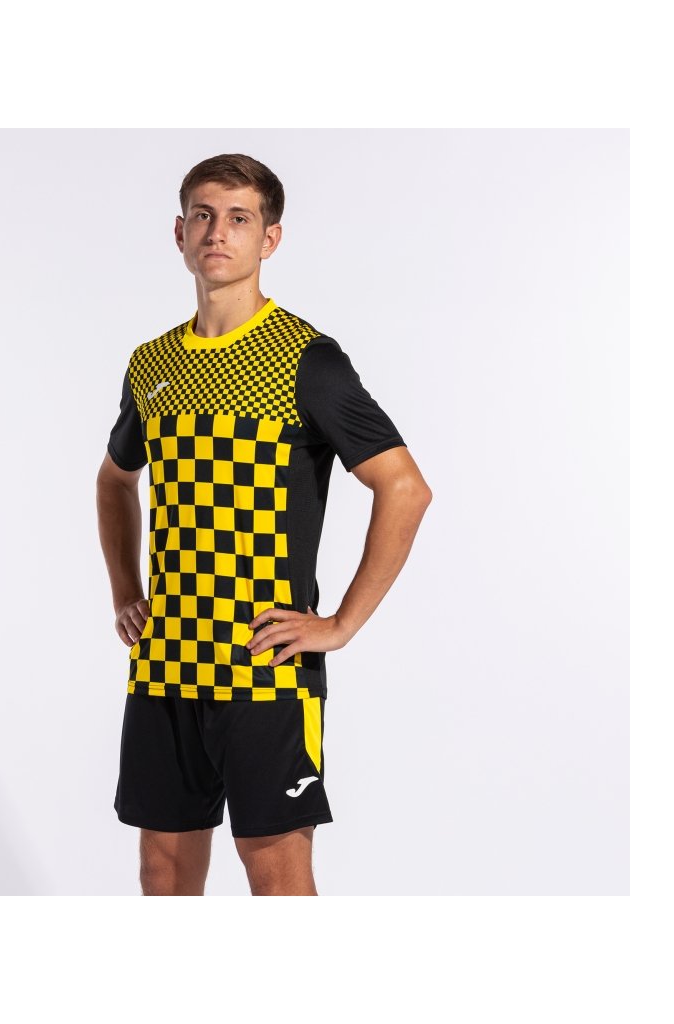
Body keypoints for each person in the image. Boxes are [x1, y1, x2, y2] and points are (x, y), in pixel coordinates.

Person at [97, 153, 432, 896]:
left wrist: (340, 624)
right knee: (162, 870)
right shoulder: (151, 363)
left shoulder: (306, 359)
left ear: (269, 239)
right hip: (165, 661)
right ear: (180, 233)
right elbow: (115, 480)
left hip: (264, 665)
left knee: (276, 873)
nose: (218, 232)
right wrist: (125, 591)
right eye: (204, 215)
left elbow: (405, 488)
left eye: (239, 218)